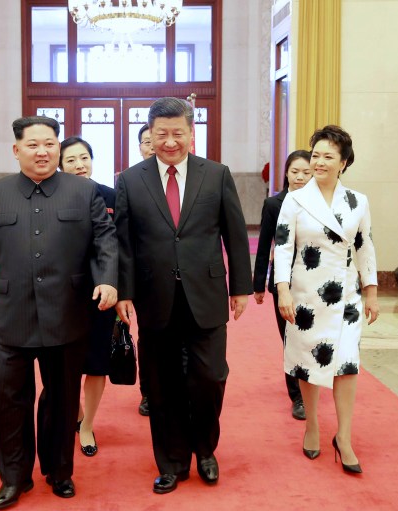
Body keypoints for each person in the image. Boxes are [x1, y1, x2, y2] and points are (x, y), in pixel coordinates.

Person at [0, 116, 118, 509]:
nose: (43, 151)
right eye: (33, 145)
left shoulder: (84, 192)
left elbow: (105, 240)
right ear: (17, 150)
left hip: (67, 312)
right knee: (4, 397)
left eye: (50, 143)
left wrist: (108, 278)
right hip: (9, 314)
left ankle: (59, 470)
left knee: (62, 399)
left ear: (58, 148)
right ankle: (14, 477)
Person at [115, 97, 252, 494]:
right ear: (150, 134)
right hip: (154, 296)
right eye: (162, 134)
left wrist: (240, 286)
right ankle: (171, 461)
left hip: (206, 294)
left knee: (209, 378)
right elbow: (123, 242)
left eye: (178, 133)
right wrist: (124, 290)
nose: (170, 141)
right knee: (161, 383)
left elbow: (235, 235)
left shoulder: (216, 174)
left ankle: (205, 449)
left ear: (191, 133)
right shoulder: (130, 179)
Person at [274, 125, 378, 474]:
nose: (318, 162)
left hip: (346, 296)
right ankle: (313, 424)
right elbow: (284, 245)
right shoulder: (296, 198)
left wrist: (371, 292)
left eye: (327, 156)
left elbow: (365, 246)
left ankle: (344, 437)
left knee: (347, 364)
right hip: (306, 296)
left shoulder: (357, 201)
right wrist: (283, 289)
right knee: (308, 361)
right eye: (315, 154)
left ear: (344, 162)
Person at [58, 136, 116, 458]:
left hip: (101, 293)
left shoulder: (110, 196)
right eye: (71, 160)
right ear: (60, 164)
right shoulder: (51, 196)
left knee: (96, 364)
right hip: (62, 295)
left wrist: (121, 290)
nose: (79, 165)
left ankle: (87, 424)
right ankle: (76, 412)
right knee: (63, 364)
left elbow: (120, 246)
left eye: (84, 158)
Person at [253, 150, 312, 421]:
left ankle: (311, 383)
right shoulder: (274, 204)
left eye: (306, 172)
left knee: (309, 337)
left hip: (314, 282)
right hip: (283, 282)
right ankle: (297, 397)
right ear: (286, 173)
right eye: (295, 172)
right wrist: (259, 284)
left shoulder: (319, 204)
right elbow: (264, 245)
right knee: (290, 339)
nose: (300, 177)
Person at [135, 123, 155, 417]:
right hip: (145, 278)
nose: (152, 145)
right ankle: (149, 392)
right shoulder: (130, 182)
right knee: (149, 338)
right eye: (147, 141)